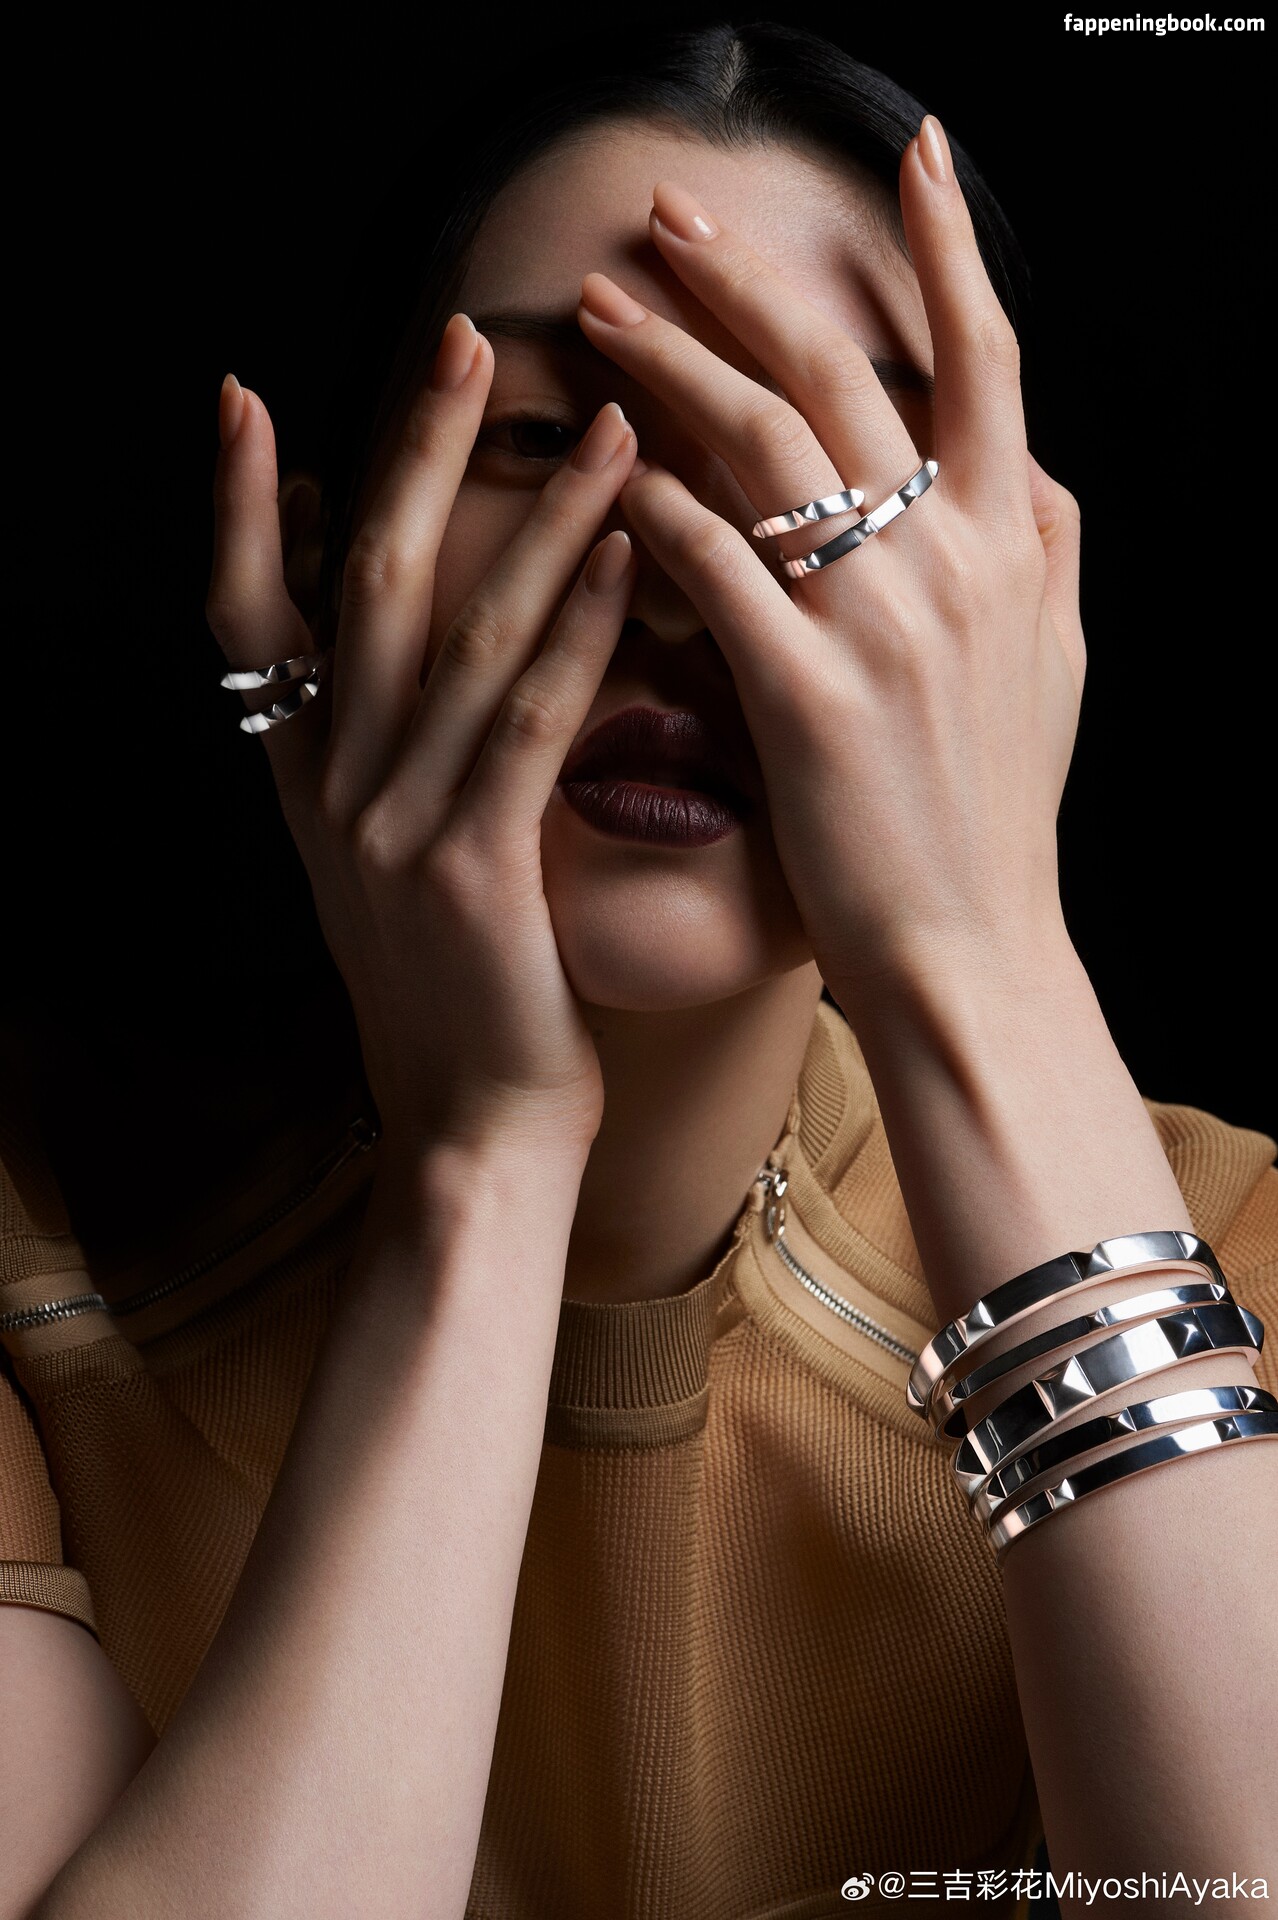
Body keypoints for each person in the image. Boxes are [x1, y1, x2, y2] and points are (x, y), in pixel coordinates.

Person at [2, 21, 1275, 1920]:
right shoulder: (33, 1269)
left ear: (1001, 605)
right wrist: (483, 1162)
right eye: (546, 438)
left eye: (826, 462)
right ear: (328, 561)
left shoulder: (1235, 1255)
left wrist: (978, 949)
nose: (681, 586)